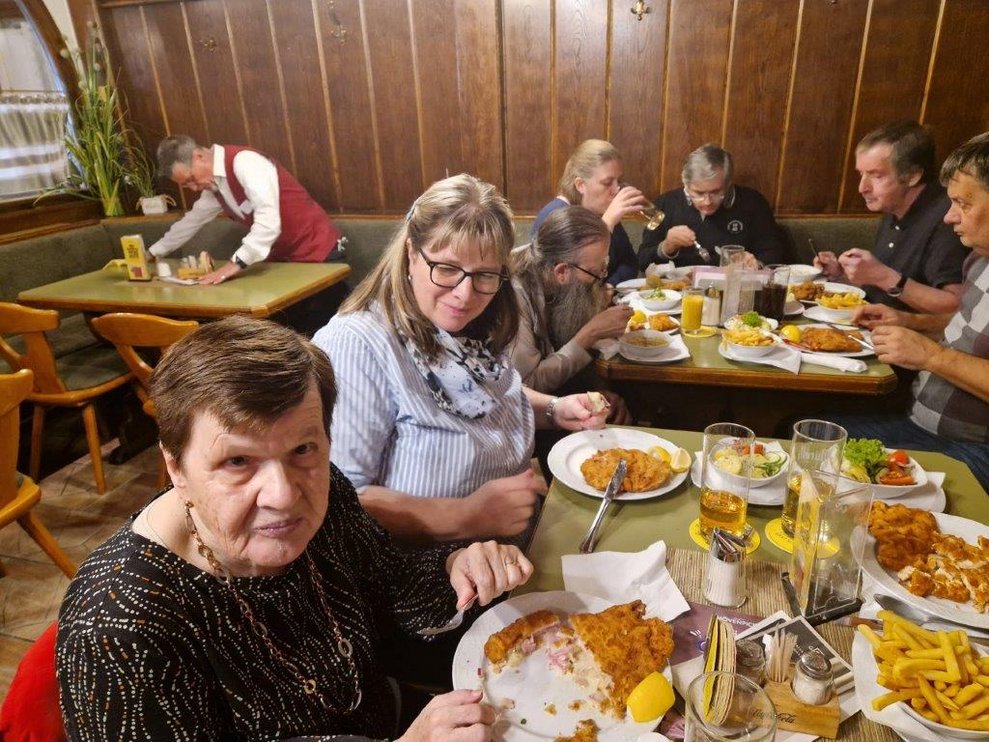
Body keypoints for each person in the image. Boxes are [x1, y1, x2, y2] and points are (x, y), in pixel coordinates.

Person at [56, 315, 532, 739]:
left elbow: (390, 582)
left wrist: (457, 564)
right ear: (175, 467)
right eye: (238, 461)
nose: (283, 496)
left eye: (303, 449)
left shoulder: (328, 489)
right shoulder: (120, 630)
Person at [313, 174, 609, 544]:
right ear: (410, 253)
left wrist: (554, 409)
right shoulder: (355, 344)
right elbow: (338, 499)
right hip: (428, 578)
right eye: (448, 269)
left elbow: (488, 396)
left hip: (516, 549)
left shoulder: (473, 322)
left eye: (485, 274)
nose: (465, 294)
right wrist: (466, 516)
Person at [823, 132, 989, 494]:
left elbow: (943, 333)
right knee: (806, 434)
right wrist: (908, 321)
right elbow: (964, 325)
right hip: (918, 421)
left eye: (963, 203)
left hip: (972, 449)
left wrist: (931, 355)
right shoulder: (980, 259)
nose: (949, 217)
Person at [148, 135, 345, 285]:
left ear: (198, 156)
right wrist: (153, 253)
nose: (193, 188)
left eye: (191, 179)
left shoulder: (245, 162)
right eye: (186, 186)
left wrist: (233, 265)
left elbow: (268, 224)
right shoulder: (214, 187)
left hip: (320, 253)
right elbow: (191, 222)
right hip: (287, 261)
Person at [814, 121, 966, 313]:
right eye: (861, 174)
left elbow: (956, 307)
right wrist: (841, 274)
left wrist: (882, 276)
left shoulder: (947, 218)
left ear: (912, 176)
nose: (862, 188)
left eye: (876, 175)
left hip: (912, 337)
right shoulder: (893, 206)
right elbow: (885, 288)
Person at [511, 205, 633, 424]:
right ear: (561, 272)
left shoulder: (570, 286)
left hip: (565, 402)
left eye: (603, 269)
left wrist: (598, 393)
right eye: (595, 272)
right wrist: (590, 334)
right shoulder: (515, 296)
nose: (601, 279)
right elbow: (528, 385)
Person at [637, 143, 789, 269]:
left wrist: (757, 263)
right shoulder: (665, 203)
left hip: (733, 288)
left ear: (728, 183)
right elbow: (642, 261)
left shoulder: (753, 203)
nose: (707, 201)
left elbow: (774, 253)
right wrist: (667, 247)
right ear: (686, 185)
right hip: (675, 294)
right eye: (699, 193)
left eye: (716, 192)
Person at [532, 139, 648, 286]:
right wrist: (606, 225)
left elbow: (630, 262)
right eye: (607, 183)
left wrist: (609, 286)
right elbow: (562, 287)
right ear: (580, 185)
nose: (617, 189)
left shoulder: (602, 211)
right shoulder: (555, 216)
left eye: (619, 181)